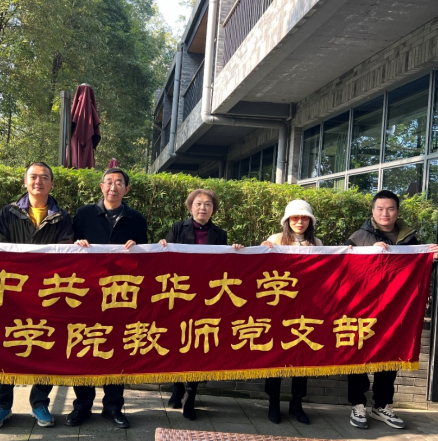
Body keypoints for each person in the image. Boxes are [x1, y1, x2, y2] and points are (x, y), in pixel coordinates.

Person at [0, 162, 73, 430]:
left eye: (44, 177)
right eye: (33, 177)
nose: (38, 182)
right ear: (25, 182)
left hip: (48, 294)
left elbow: (65, 253)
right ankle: (2, 405)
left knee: (47, 347)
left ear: (52, 184)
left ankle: (40, 403)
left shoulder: (62, 216)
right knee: (6, 346)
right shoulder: (9, 212)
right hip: (12, 291)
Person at [346, 190, 438, 430]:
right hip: (363, 308)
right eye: (380, 209)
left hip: (394, 310)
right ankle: (358, 404)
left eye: (390, 208)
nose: (385, 213)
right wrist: (368, 253)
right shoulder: (358, 237)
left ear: (397, 212)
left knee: (390, 355)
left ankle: (382, 405)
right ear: (373, 211)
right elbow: (345, 270)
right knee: (358, 354)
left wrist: (431, 260)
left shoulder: (410, 240)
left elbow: (416, 275)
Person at [66, 167, 147, 429]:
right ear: (101, 187)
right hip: (87, 292)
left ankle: (113, 407)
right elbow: (66, 248)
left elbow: (147, 257)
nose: (113, 186)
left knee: (116, 349)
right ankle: (82, 406)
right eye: (109, 182)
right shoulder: (84, 214)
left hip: (120, 294)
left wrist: (138, 248)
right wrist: (77, 244)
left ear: (127, 189)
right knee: (85, 347)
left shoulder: (136, 219)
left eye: (119, 182)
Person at [159, 189, 242, 420]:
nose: (202, 208)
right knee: (178, 341)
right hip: (181, 295)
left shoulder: (220, 234)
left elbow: (224, 264)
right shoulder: (177, 229)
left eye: (207, 204)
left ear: (213, 209)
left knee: (197, 343)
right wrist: (163, 245)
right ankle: (177, 386)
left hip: (206, 297)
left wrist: (235, 251)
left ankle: (191, 394)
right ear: (190, 207)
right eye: (198, 203)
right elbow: (165, 259)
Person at [260, 199, 322, 425]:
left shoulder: (317, 243)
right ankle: (273, 402)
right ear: (287, 220)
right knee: (276, 355)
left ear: (310, 221)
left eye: (304, 218)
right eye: (295, 218)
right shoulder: (275, 239)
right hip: (279, 308)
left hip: (307, 308)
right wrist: (262, 249)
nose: (300, 222)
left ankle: (297, 404)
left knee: (302, 355)